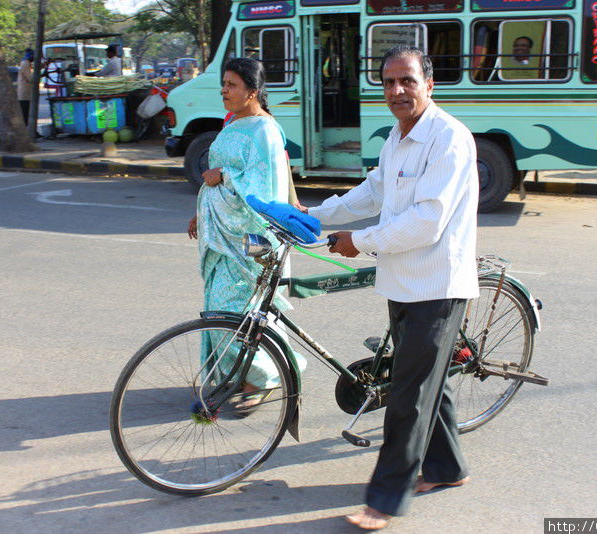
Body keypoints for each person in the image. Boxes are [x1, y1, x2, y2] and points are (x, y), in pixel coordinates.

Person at [300, 46, 479, 530]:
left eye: (408, 81)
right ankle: (447, 468)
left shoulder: (449, 140)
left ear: (430, 84)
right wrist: (313, 216)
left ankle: (385, 498)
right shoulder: (397, 139)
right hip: (401, 282)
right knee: (424, 382)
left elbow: (427, 221)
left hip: (437, 285)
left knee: (407, 395)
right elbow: (374, 191)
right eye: (389, 83)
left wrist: (360, 240)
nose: (398, 91)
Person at [187, 57, 304, 404]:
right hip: (223, 232)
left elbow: (265, 184)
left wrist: (224, 175)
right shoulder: (234, 121)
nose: (224, 90)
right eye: (223, 84)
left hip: (249, 240)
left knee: (237, 311)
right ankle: (240, 374)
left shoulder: (264, 129)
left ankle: (263, 378)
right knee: (226, 310)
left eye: (232, 85)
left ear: (252, 91)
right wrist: (202, 213)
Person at [17, 48, 34, 125]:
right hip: (24, 93)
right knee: (25, 113)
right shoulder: (25, 63)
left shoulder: (25, 63)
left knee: (27, 113)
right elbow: (30, 78)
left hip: (26, 92)